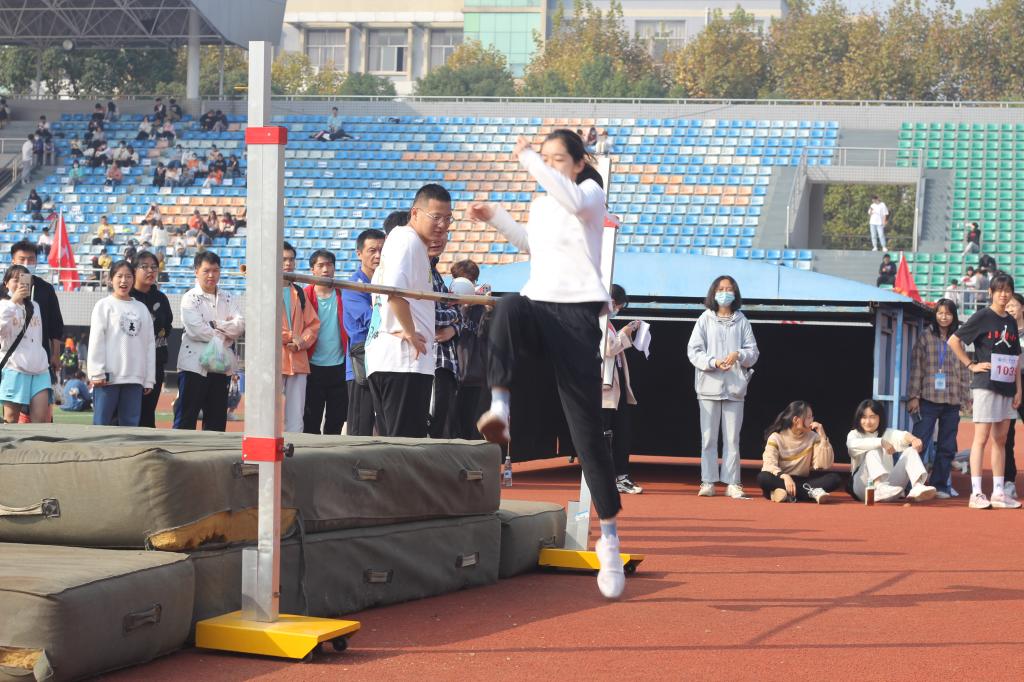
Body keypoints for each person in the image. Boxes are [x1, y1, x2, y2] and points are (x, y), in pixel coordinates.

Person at [467, 130, 626, 599]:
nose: (550, 165)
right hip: (539, 306)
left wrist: (529, 158)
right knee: (508, 307)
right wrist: (496, 217)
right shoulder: (541, 205)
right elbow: (530, 245)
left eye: (560, 159)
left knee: (586, 432)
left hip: (576, 317)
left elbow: (571, 200)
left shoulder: (590, 195)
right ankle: (500, 407)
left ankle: (609, 537)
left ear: (579, 164)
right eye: (547, 158)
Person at [365, 187, 446, 438]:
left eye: (448, 218)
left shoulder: (409, 243)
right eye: (436, 217)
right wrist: (410, 332)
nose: (442, 225)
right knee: (404, 447)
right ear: (415, 213)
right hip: (403, 362)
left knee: (396, 445)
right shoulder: (407, 240)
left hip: (395, 360)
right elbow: (393, 291)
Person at [947, 273, 1022, 509]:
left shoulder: (1011, 322)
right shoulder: (982, 316)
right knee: (981, 439)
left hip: (1007, 387)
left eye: (1008, 290)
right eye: (999, 290)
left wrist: (1018, 389)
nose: (1004, 294)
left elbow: (1016, 358)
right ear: (990, 292)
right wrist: (971, 365)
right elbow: (954, 340)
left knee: (1001, 440)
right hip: (986, 385)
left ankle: (998, 492)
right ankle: (976, 493)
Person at [687, 275, 759, 499]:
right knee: (708, 438)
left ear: (735, 293)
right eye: (720, 289)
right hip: (708, 387)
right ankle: (708, 480)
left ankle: (733, 482)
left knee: (732, 439)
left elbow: (753, 353)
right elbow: (693, 351)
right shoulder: (705, 319)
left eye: (729, 289)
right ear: (714, 292)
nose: (724, 293)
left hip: (735, 388)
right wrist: (713, 362)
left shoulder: (742, 320)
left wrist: (739, 354)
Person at [907, 298, 971, 498]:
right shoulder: (925, 336)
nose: (944, 317)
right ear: (935, 315)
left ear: (954, 316)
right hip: (928, 398)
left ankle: (940, 485)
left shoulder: (958, 339)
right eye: (940, 313)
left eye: (948, 313)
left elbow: (964, 370)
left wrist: (965, 397)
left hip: (952, 400)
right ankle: (912, 484)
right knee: (919, 442)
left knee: (947, 446)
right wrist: (913, 396)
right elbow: (917, 367)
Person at [174, 251, 245, 432]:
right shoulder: (190, 298)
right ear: (196, 271)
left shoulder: (228, 297)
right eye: (206, 271)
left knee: (216, 422)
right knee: (186, 420)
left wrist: (215, 324)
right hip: (193, 366)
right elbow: (196, 330)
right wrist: (226, 331)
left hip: (221, 368)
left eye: (215, 270)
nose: (211, 275)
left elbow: (240, 326)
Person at [88, 260, 155, 427]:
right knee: (101, 425)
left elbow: (149, 345)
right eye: (119, 276)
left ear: (133, 280)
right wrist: (96, 372)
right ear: (111, 279)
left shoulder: (142, 309)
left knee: (130, 427)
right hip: (107, 378)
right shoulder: (104, 306)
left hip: (134, 377)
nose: (124, 281)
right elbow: (96, 340)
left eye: (128, 276)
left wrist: (148, 379)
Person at [343, 225, 390, 435]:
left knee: (386, 426)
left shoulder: (388, 282)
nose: (378, 255)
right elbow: (372, 319)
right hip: (361, 363)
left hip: (386, 362)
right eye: (372, 250)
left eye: (382, 250)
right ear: (359, 253)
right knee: (360, 428)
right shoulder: (354, 286)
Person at [847, 399, 937, 503]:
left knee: (910, 451)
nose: (868, 422)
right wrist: (881, 442)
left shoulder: (886, 433)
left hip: (889, 490)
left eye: (872, 417)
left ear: (880, 418)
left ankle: (917, 486)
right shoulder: (854, 434)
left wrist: (914, 439)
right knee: (873, 450)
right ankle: (878, 486)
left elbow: (902, 436)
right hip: (863, 488)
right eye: (864, 417)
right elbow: (852, 445)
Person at [10, 241, 64, 413]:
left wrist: (55, 354)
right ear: (13, 261)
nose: (27, 264)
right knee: (13, 413)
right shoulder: (4, 290)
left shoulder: (46, 289)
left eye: (31, 259)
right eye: (22, 259)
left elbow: (56, 325)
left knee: (41, 412)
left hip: (41, 360)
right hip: (13, 362)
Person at [757, 400, 841, 503]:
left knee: (834, 479)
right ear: (796, 420)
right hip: (782, 479)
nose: (812, 420)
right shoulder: (776, 437)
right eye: (808, 417)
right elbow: (769, 464)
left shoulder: (813, 437)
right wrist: (784, 476)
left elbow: (823, 465)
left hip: (802, 479)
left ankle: (784, 495)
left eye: (812, 417)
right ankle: (811, 493)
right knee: (763, 477)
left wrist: (823, 437)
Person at [303, 248, 349, 435]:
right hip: (312, 367)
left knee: (336, 421)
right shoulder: (304, 295)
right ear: (312, 269)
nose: (325, 269)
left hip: (339, 366)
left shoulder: (343, 294)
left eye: (329, 265)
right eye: (320, 265)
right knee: (311, 420)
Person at [603, 284, 643, 495]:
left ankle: (621, 475)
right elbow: (609, 348)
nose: (617, 309)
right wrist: (625, 333)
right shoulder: (597, 320)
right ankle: (610, 478)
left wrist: (624, 332)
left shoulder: (607, 322)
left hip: (615, 386)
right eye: (618, 305)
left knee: (621, 432)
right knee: (606, 434)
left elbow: (612, 344)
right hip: (604, 388)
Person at [0, 265, 50, 424]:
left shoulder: (35, 306)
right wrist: (13, 302)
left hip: (40, 369)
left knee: (40, 419)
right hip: (15, 368)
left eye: (24, 280)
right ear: (6, 283)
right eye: (15, 279)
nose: (20, 284)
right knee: (11, 419)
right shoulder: (3, 305)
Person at [130, 251, 173, 428]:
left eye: (154, 267)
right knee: (127, 414)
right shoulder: (127, 297)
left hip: (155, 364)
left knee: (148, 414)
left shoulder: (161, 298)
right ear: (134, 270)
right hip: (130, 364)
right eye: (145, 267)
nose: (150, 271)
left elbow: (168, 326)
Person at [281, 242, 320, 433]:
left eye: (291, 259)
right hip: (274, 360)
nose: (288, 263)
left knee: (297, 414)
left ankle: (293, 446)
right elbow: (263, 324)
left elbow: (313, 324)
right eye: (283, 260)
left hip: (298, 359)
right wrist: (291, 337)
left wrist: (301, 342)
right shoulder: (264, 291)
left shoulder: (300, 293)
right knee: (267, 414)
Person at [451, 258, 490, 439]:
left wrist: (488, 309)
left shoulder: (481, 307)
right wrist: (463, 307)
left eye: (472, 281)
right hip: (451, 371)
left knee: (469, 423)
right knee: (450, 422)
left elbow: (486, 335)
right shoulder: (448, 303)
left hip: (474, 373)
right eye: (465, 280)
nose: (469, 285)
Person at [429, 233, 460, 438]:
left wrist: (453, 328)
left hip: (446, 362)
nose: (437, 239)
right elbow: (432, 315)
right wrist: (454, 315)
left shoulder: (435, 272)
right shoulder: (420, 272)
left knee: (443, 428)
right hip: (430, 361)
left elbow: (457, 315)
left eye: (442, 234)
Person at [1001, 293, 1024, 500]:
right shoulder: (1003, 332)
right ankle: (1008, 481)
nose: (1009, 309)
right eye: (1006, 306)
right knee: (1006, 436)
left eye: (1013, 305)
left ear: (1022, 308)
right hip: (1008, 384)